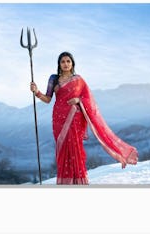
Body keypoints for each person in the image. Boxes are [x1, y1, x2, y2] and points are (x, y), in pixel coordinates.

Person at [30, 51, 138, 185]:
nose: (65, 64)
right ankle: (65, 183)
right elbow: (47, 99)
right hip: (59, 119)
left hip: (75, 118)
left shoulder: (79, 80)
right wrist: (36, 92)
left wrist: (78, 99)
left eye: (68, 61)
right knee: (63, 150)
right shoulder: (54, 79)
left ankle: (79, 183)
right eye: (62, 61)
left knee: (75, 150)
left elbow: (88, 99)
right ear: (59, 64)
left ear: (72, 63)